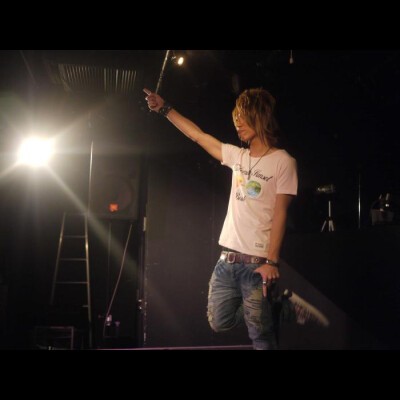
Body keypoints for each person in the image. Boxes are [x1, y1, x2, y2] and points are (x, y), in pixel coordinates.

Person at [143, 87, 327, 350]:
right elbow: (197, 136)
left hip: (257, 265)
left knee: (260, 335)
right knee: (219, 321)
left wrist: (272, 262)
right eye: (235, 119)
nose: (237, 124)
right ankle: (280, 308)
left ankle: (276, 309)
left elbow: (281, 213)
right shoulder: (237, 156)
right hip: (226, 262)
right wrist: (164, 109)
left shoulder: (283, 162)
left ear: (259, 117)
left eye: (242, 117)